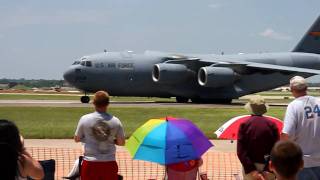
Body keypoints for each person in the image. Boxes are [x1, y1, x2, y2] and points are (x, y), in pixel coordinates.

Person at [74, 90, 126, 180]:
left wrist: (88, 138)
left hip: (90, 163)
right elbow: (121, 142)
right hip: (109, 163)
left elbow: (77, 138)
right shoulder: (116, 121)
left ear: (93, 103)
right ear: (108, 104)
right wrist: (111, 140)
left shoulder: (85, 119)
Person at [281, 76, 320, 179]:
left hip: (302, 162)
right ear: (306, 88)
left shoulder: (294, 106)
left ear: (292, 89)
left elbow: (286, 135)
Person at [237, 95, 279, 180]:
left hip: (250, 166)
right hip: (268, 165)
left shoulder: (244, 124)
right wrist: (268, 169)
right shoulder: (272, 124)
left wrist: (251, 170)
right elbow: (276, 149)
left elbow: (241, 151)